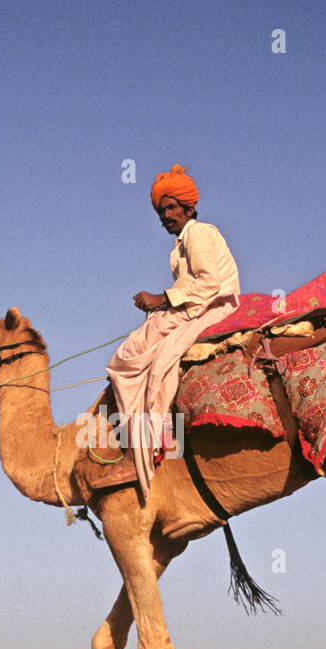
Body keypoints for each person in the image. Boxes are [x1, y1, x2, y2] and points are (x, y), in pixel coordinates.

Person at [104, 164, 240, 499]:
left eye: (171, 208)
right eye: (161, 210)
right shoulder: (179, 245)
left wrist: (162, 298)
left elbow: (209, 283)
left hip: (211, 306)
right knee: (136, 353)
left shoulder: (198, 233)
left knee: (136, 359)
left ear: (188, 208)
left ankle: (147, 444)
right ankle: (143, 439)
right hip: (193, 306)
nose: (165, 215)